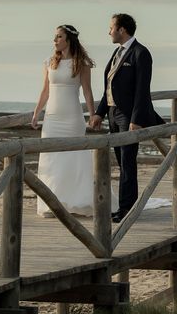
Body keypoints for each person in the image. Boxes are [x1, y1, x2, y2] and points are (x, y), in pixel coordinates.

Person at [89, 13, 165, 223]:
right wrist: (99, 113)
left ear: (122, 29)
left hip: (129, 115)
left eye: (111, 27)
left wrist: (136, 119)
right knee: (122, 163)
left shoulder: (141, 53)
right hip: (113, 114)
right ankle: (125, 207)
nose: (109, 31)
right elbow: (109, 87)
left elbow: (142, 90)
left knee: (128, 162)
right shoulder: (117, 52)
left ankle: (127, 210)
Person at [31, 24, 96, 217]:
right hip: (52, 118)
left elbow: (87, 91)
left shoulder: (81, 63)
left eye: (59, 37)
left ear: (69, 40)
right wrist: (36, 113)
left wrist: (92, 114)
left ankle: (76, 202)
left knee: (73, 159)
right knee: (52, 159)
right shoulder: (50, 62)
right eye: (55, 37)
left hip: (72, 117)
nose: (55, 40)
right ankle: (51, 203)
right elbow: (45, 90)